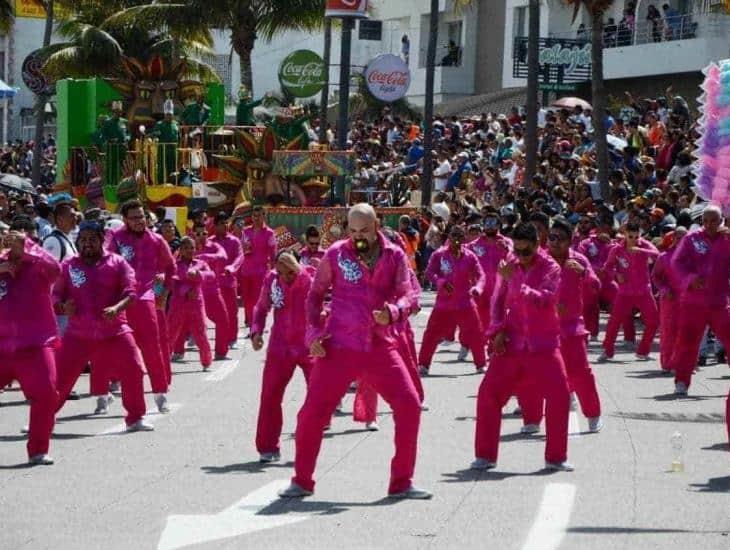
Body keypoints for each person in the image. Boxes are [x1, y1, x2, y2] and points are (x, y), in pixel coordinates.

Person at [279, 204, 429, 500]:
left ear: (377, 226)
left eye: (364, 230)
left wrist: (395, 312)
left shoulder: (394, 255)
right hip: (339, 347)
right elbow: (314, 296)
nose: (358, 236)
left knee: (409, 405)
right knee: (311, 414)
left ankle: (401, 482)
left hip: (379, 347)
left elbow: (411, 294)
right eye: (353, 230)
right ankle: (301, 481)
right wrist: (314, 335)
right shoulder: (335, 253)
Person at [472, 222, 572, 472]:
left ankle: (556, 457)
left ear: (537, 246)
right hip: (513, 342)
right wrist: (495, 331)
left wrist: (516, 281)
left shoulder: (551, 268)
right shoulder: (510, 266)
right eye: (517, 251)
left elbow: (546, 300)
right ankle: (485, 456)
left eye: (526, 251)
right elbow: (496, 302)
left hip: (544, 344)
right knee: (488, 395)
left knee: (560, 396)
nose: (521, 256)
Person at [53, 221, 151, 430]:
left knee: (134, 369)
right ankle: (42, 419)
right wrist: (62, 307)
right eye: (83, 240)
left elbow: (131, 291)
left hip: (115, 331)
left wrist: (117, 308)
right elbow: (55, 295)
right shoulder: (68, 265)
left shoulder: (118, 262)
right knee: (59, 379)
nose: (87, 244)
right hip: (78, 334)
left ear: (101, 240)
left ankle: (136, 418)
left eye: (92, 239)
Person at [0, 215, 60, 465]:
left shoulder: (39, 264)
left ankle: (38, 449)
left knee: (46, 394)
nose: (12, 243)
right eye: (9, 239)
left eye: (19, 239)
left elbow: (56, 269)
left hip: (35, 344)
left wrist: (28, 249)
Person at [105, 199, 175, 413]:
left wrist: (161, 294)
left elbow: (171, 268)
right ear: (125, 220)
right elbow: (105, 264)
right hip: (120, 301)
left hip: (145, 299)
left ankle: (160, 393)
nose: (139, 221)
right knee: (113, 347)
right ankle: (108, 386)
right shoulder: (116, 239)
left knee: (152, 348)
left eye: (142, 217)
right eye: (134, 218)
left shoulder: (157, 240)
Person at [540, 218, 602, 432]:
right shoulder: (541, 260)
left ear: (569, 241)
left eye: (559, 238)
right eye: (551, 237)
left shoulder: (579, 260)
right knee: (543, 376)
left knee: (581, 373)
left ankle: (593, 413)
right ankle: (536, 419)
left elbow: (596, 286)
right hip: (544, 329)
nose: (554, 242)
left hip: (572, 328)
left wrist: (583, 274)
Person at [251, 251, 314, 463]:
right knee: (269, 395)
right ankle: (267, 446)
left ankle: (306, 447)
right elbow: (261, 308)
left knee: (317, 398)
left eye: (289, 271)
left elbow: (325, 305)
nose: (285, 276)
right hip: (280, 347)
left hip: (309, 347)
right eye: (280, 271)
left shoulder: (309, 278)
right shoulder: (271, 280)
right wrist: (256, 331)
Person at [670, 205, 730, 395]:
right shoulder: (690, 239)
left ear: (721, 221)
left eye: (714, 221)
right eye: (705, 221)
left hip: (720, 302)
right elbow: (676, 264)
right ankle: (682, 380)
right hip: (693, 303)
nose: (709, 225)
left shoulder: (727, 239)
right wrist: (690, 280)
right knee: (688, 342)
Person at [418, 225, 486, 374]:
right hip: (444, 304)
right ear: (449, 237)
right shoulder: (439, 254)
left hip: (465, 302)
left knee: (476, 332)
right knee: (431, 334)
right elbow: (429, 272)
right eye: (453, 236)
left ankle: (480, 364)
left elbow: (481, 275)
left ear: (463, 239)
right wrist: (440, 282)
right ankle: (423, 364)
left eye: (459, 237)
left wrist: (477, 288)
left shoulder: (469, 256)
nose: (456, 240)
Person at [598, 223, 660, 362]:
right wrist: (616, 274)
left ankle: (643, 350)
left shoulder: (644, 245)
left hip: (643, 290)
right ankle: (607, 350)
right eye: (630, 236)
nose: (634, 239)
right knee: (615, 321)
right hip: (624, 292)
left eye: (636, 236)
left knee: (653, 321)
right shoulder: (617, 249)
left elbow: (657, 254)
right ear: (625, 234)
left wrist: (641, 251)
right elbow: (607, 267)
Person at [167, 237, 214, 369]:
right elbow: (172, 283)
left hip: (196, 303)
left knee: (201, 333)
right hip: (178, 304)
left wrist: (199, 274)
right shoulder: (175, 265)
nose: (189, 250)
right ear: (180, 250)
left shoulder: (200, 263)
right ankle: (164, 362)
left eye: (192, 247)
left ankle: (206, 361)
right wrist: (186, 291)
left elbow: (211, 275)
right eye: (186, 248)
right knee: (171, 333)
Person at [466, 210, 512, 340]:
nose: (489, 226)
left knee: (499, 319)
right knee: (479, 319)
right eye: (486, 223)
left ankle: (493, 346)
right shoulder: (474, 245)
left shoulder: (507, 242)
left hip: (501, 290)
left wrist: (507, 250)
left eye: (493, 223)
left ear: (499, 225)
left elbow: (517, 258)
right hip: (481, 290)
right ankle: (475, 342)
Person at [191, 222, 232, 360]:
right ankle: (177, 351)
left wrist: (205, 257)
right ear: (193, 234)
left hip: (213, 290)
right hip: (194, 293)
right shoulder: (187, 247)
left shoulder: (213, 246)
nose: (202, 236)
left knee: (223, 320)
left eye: (204, 233)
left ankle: (220, 352)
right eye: (198, 234)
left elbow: (224, 256)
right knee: (185, 324)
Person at [651, 226, 687, 374]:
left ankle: (684, 363)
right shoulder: (664, 257)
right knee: (669, 332)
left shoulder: (694, 258)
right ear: (673, 238)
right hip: (670, 300)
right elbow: (655, 277)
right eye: (678, 236)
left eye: (684, 237)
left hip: (689, 299)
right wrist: (665, 290)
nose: (681, 240)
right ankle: (668, 363)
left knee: (686, 331)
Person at [209, 212, 244, 349]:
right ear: (215, 226)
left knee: (231, 311)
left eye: (225, 223)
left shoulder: (234, 241)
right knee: (212, 312)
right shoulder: (210, 241)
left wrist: (232, 267)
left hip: (229, 282)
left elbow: (240, 257)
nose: (224, 226)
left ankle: (231, 338)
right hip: (212, 284)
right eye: (221, 223)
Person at [239, 206, 277, 331]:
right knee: (247, 299)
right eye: (254, 216)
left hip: (261, 272)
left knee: (257, 298)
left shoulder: (269, 233)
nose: (256, 218)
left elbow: (273, 254)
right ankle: (250, 321)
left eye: (259, 215)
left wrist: (274, 271)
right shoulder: (245, 231)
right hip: (245, 271)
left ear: (264, 216)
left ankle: (255, 323)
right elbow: (241, 250)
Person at [149, 99, 180, 184]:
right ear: (165, 114)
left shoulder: (176, 124)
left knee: (173, 168)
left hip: (173, 150)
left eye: (170, 115)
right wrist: (155, 134)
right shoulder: (159, 124)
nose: (169, 116)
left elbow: (179, 136)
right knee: (161, 167)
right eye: (167, 115)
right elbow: (154, 134)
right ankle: (160, 183)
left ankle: (172, 183)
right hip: (163, 149)